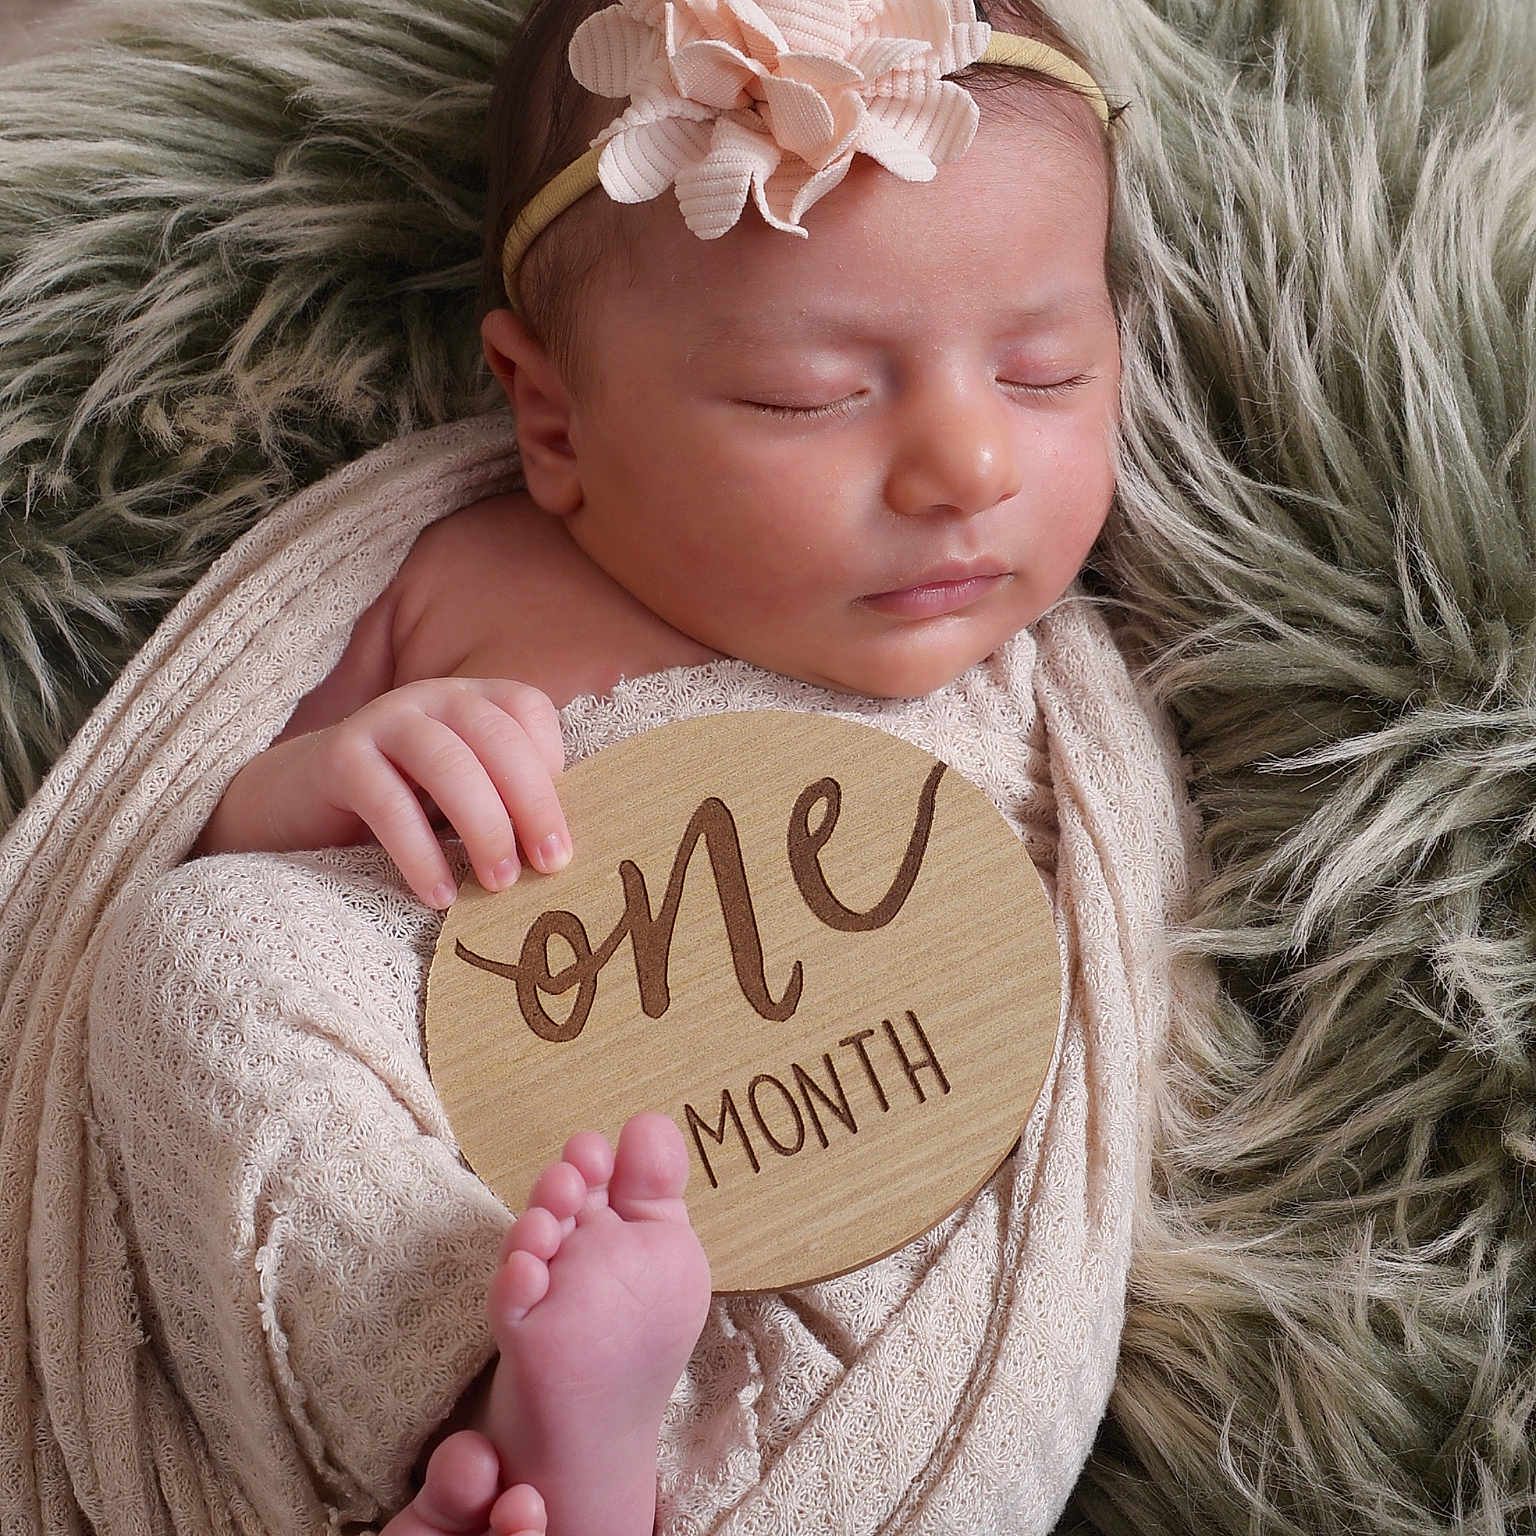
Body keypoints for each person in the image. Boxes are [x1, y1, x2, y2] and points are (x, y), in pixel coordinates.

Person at [192, 0, 1122, 1530]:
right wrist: (336, 781)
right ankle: (475, 1410)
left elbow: (1125, 1026)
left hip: (850, 1239)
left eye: (1046, 372)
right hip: (479, 1216)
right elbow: (216, 844)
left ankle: (625, 1460)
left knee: (978, 1085)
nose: (970, 465)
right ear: (553, 417)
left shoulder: (1045, 689)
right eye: (807, 396)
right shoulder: (456, 581)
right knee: (207, 949)